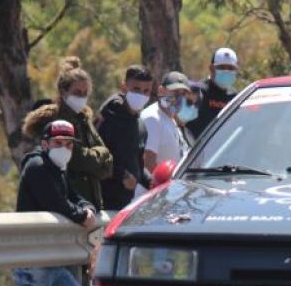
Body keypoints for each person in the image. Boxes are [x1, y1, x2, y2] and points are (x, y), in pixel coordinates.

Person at [13, 120, 96, 286]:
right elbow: (56, 202)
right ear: (45, 143)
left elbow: (74, 196)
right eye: (58, 142)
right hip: (32, 259)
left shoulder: (58, 169)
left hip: (51, 257)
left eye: (69, 144)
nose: (64, 149)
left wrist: (88, 208)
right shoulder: (38, 167)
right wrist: (80, 215)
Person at [23, 56, 112, 210]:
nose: (82, 97)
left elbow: (108, 163)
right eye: (77, 92)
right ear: (63, 91)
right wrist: (99, 155)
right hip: (70, 203)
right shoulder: (56, 121)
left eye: (85, 93)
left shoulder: (85, 119)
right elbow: (78, 159)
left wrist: (97, 156)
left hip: (93, 203)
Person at [97, 64, 154, 210]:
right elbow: (96, 156)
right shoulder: (109, 118)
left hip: (125, 204)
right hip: (103, 202)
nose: (141, 95)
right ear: (124, 87)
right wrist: (121, 174)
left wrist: (151, 182)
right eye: (136, 89)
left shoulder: (141, 125)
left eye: (146, 91)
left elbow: (138, 165)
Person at [140, 71, 191, 182]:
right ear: (161, 91)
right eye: (175, 93)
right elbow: (148, 162)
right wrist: (164, 187)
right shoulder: (153, 118)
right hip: (157, 192)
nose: (179, 98)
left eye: (183, 94)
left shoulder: (171, 118)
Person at [185, 47, 239, 138]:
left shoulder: (236, 98)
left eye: (231, 68)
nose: (226, 71)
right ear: (211, 68)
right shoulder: (198, 92)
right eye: (221, 67)